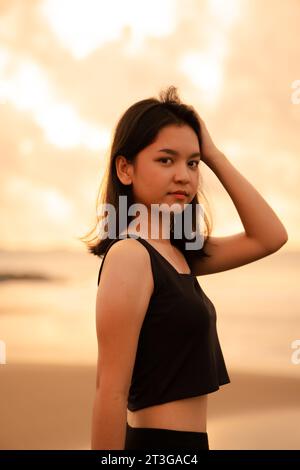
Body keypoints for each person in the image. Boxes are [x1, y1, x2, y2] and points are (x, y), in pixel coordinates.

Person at [81, 85, 288, 450]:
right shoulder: (131, 255)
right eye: (166, 160)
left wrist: (214, 155)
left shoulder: (179, 252)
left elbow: (270, 237)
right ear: (125, 169)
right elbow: (110, 392)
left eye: (192, 163)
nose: (184, 175)